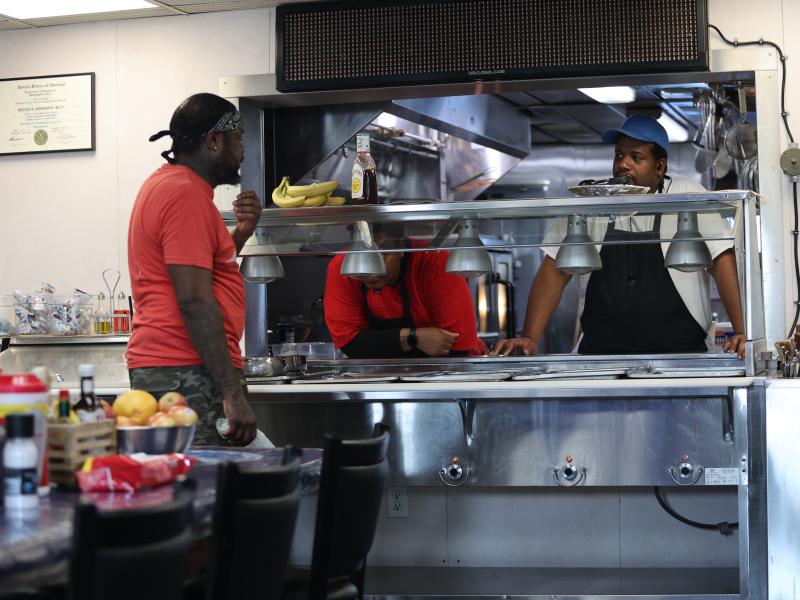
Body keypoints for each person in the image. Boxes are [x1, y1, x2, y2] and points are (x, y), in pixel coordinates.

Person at [493, 113, 746, 359]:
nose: (623, 163)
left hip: (679, 357)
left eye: (636, 157)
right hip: (600, 360)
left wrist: (742, 332)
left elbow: (722, 260)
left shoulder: (686, 196)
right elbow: (554, 271)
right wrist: (530, 337)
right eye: (619, 154)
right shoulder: (592, 200)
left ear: (659, 167)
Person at [126, 93, 262, 446]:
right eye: (239, 138)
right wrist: (231, 392)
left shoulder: (169, 185)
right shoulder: (184, 194)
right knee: (203, 491)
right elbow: (194, 300)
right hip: (185, 371)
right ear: (214, 141)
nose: (243, 149)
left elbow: (205, 275)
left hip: (178, 369)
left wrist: (241, 235)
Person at [324, 224, 488, 358]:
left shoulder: (436, 263)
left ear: (401, 246)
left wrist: (379, 343)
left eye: (382, 255)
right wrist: (414, 337)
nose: (370, 271)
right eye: (360, 256)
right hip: (378, 379)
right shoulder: (343, 267)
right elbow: (351, 344)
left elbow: (457, 348)